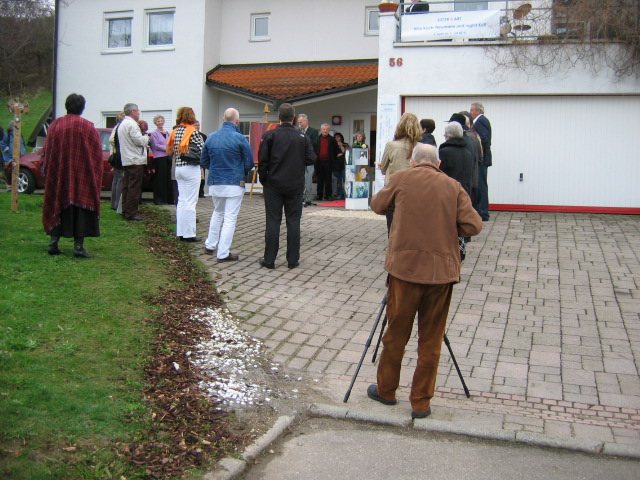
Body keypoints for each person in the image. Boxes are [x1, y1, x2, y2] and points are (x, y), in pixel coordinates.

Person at [367, 143, 482, 419]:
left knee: (396, 334)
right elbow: (473, 225)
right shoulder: (453, 186)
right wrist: (446, 226)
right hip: (439, 275)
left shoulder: (401, 178)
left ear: (413, 162)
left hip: (404, 272)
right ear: (438, 164)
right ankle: (420, 402)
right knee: (430, 340)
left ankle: (386, 391)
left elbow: (378, 205)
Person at [41, 93, 103, 258]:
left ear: (67, 106)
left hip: (59, 175)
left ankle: (53, 243)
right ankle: (78, 247)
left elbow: (47, 152)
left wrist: (49, 169)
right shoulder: (87, 126)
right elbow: (96, 154)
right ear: (82, 108)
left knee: (58, 203)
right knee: (81, 208)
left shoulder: (55, 125)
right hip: (82, 176)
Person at [258, 103, 316, 269]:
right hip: (295, 185)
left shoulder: (270, 135)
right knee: (293, 221)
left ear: (279, 117)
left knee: (273, 221)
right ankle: (292, 259)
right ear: (294, 117)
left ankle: (269, 259)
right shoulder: (302, 137)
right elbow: (311, 158)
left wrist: (264, 180)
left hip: (273, 184)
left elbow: (263, 160)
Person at [201, 108, 253, 262]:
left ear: (223, 120)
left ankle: (210, 245)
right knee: (230, 218)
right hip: (234, 182)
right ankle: (223, 253)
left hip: (215, 182)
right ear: (237, 121)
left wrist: (215, 170)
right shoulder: (240, 138)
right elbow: (249, 162)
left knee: (218, 212)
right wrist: (239, 172)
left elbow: (204, 161)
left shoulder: (211, 137)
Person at [378, 112, 422, 231]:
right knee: (412, 223)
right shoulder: (420, 147)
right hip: (414, 188)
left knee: (392, 223)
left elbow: (383, 168)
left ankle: (393, 241)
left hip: (394, 188)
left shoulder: (391, 145)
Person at [167, 107, 205, 242]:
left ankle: (181, 232)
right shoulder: (193, 132)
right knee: (191, 202)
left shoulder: (175, 131)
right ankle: (189, 234)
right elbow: (202, 150)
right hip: (191, 168)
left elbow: (171, 149)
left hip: (178, 168)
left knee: (182, 201)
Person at [119, 103, 150, 221]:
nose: (139, 113)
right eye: (137, 111)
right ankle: (131, 213)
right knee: (134, 188)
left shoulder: (123, 124)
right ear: (132, 112)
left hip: (127, 159)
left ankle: (125, 211)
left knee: (126, 187)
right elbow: (139, 141)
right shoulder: (132, 124)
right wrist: (147, 137)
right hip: (135, 160)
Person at [470, 102, 492, 221]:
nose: (470, 112)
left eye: (472, 110)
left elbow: (484, 139)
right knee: (479, 184)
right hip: (481, 158)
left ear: (478, 111)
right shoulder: (479, 121)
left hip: (482, 158)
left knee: (481, 185)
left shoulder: (481, 121)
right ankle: (480, 210)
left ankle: (483, 212)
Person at [439, 121, 473, 196]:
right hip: (464, 191)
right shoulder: (468, 153)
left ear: (448, 135)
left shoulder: (444, 152)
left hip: (449, 191)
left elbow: (439, 173)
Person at [149, 114, 173, 205]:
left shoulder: (167, 133)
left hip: (167, 157)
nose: (160, 122)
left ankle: (168, 198)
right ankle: (159, 199)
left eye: (161, 121)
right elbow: (156, 145)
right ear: (155, 123)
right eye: (158, 121)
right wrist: (167, 148)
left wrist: (170, 149)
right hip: (159, 158)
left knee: (168, 178)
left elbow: (170, 143)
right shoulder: (154, 133)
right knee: (160, 178)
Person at [297, 113, 319, 207]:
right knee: (299, 179)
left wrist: (303, 139)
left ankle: (308, 198)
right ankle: (300, 197)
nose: (299, 124)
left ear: (306, 121)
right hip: (299, 160)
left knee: (308, 179)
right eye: (298, 122)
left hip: (309, 160)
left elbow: (315, 143)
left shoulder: (313, 131)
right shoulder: (297, 131)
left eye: (301, 122)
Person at [315, 123, 339, 201]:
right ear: (321, 130)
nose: (325, 131)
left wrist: (332, 159)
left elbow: (336, 151)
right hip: (319, 162)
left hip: (328, 163)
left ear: (329, 130)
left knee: (328, 179)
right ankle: (319, 195)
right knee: (320, 179)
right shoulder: (316, 139)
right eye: (323, 129)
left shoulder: (332, 140)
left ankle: (328, 195)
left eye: (326, 129)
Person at [108, 112, 126, 211]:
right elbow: (111, 140)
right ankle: (116, 203)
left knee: (116, 179)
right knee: (119, 179)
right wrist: (118, 146)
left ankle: (114, 203)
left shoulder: (117, 127)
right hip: (118, 156)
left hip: (116, 155)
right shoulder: (119, 127)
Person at [194, 121, 208, 198]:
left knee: (202, 175)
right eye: (196, 125)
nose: (197, 126)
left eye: (198, 125)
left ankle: (201, 192)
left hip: (202, 158)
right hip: (194, 157)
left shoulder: (203, 136)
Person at [333, 132, 348, 200]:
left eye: (338, 137)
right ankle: (339, 194)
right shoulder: (333, 145)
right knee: (338, 181)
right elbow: (333, 154)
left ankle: (346, 194)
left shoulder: (345, 144)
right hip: (336, 165)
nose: (337, 138)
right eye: (335, 137)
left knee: (345, 180)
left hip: (344, 165)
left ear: (341, 137)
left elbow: (346, 153)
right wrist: (341, 154)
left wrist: (341, 146)